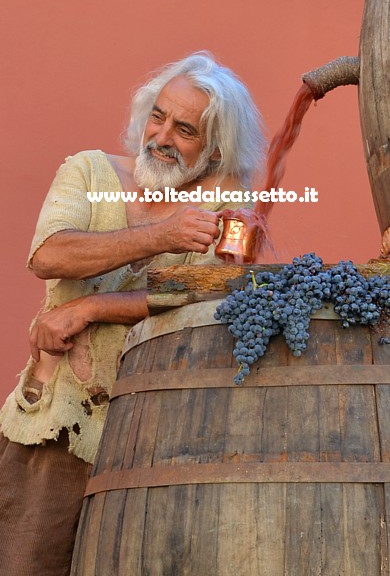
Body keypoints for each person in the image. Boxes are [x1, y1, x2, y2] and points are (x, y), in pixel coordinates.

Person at [0, 51, 266, 575]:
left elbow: (204, 297)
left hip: (157, 441)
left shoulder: (226, 203)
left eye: (184, 130)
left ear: (214, 151)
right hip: (59, 422)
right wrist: (162, 235)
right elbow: (49, 253)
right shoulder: (87, 169)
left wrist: (91, 306)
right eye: (158, 116)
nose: (162, 137)